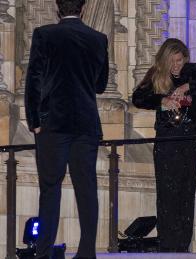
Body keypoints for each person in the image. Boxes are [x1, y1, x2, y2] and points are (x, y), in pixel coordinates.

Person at [24, 0, 109, 258]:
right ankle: (86, 252)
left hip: (53, 124)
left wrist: (34, 121)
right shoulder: (98, 38)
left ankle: (44, 252)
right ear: (82, 9)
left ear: (57, 9)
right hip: (85, 123)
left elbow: (34, 81)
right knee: (87, 188)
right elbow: (101, 85)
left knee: (50, 188)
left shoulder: (45, 35)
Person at [132, 38, 196, 252]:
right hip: (166, 138)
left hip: (190, 137)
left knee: (186, 189)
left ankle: (182, 244)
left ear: (186, 59)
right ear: (164, 60)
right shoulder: (156, 74)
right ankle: (167, 244)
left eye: (179, 60)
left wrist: (189, 85)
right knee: (166, 192)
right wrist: (161, 100)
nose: (176, 66)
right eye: (172, 61)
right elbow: (138, 98)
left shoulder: (193, 71)